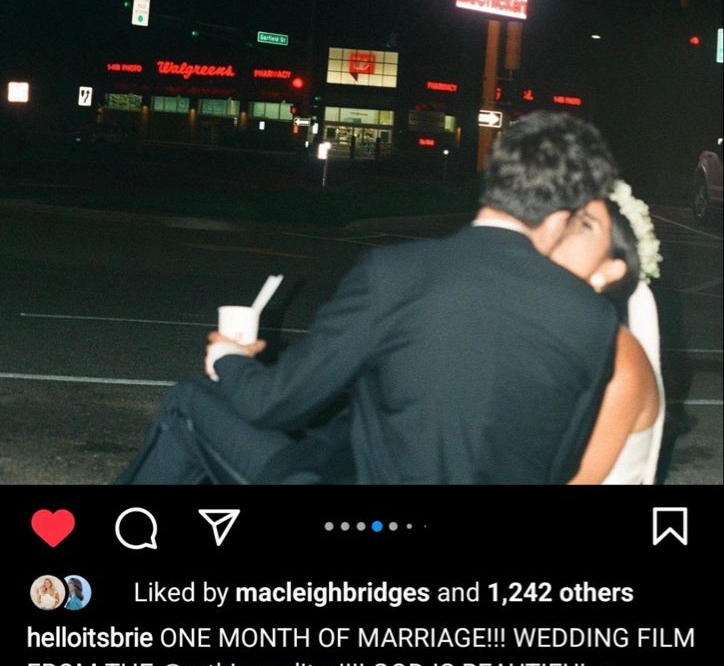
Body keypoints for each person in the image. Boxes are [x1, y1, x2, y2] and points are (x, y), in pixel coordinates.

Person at [118, 110, 622, 486]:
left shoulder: (396, 274)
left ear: (494, 180)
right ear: (563, 214)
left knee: (191, 400)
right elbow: (561, 466)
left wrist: (229, 358)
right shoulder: (593, 319)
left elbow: (272, 407)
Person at [550, 185, 664, 484]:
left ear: (610, 270)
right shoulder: (561, 339)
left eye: (584, 224)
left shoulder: (617, 362)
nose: (559, 229)